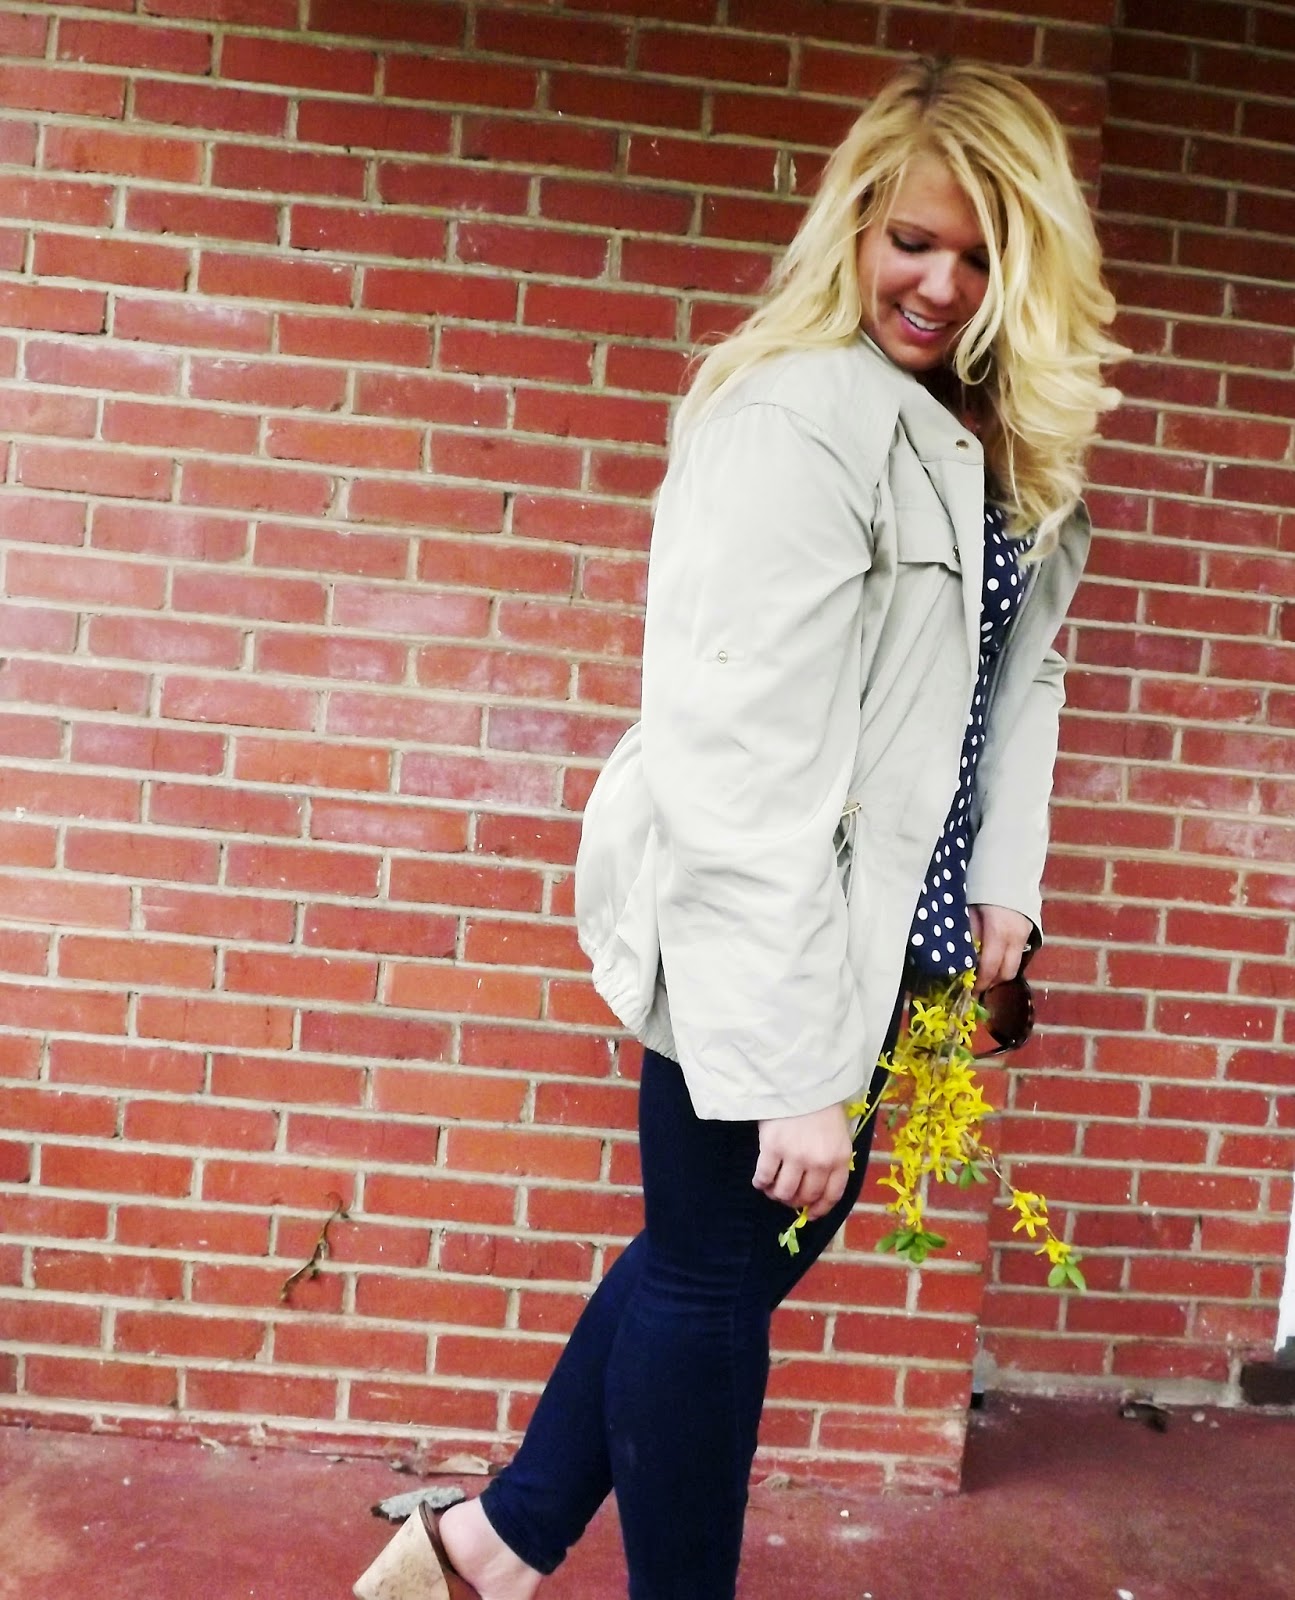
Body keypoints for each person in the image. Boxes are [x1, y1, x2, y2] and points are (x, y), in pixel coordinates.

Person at [354, 54, 1123, 1600]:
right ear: (855, 228)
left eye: (980, 256)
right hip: (771, 919)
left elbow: (1016, 678)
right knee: (712, 1284)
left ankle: (485, 1549)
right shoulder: (802, 419)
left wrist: (1004, 887)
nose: (939, 283)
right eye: (912, 240)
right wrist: (783, 1066)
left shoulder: (989, 435)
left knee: (714, 1263)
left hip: (894, 916)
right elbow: (741, 758)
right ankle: (522, 1554)